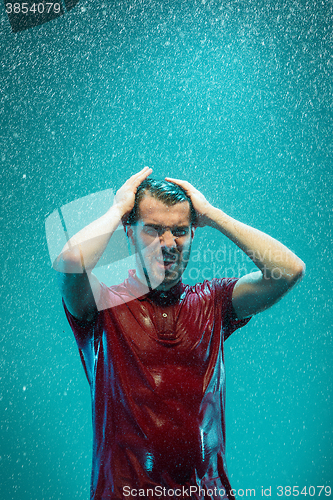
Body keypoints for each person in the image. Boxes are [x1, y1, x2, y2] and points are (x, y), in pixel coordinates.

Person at [55, 167, 305, 500]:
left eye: (180, 231)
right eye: (154, 230)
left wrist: (213, 215)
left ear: (193, 233)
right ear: (129, 233)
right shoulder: (102, 307)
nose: (169, 244)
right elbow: (71, 261)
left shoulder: (212, 302)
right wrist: (117, 210)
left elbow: (288, 270)